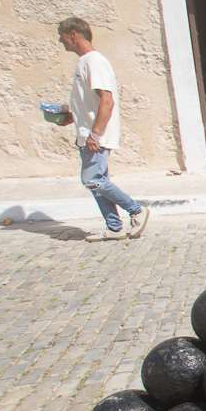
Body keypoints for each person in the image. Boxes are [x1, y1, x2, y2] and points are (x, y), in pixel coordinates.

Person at [55, 17, 149, 243]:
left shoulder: (93, 61)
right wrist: (72, 116)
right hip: (87, 134)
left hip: (95, 136)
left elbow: (107, 100)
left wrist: (95, 133)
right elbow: (92, 102)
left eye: (62, 36)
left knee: (93, 179)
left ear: (74, 34)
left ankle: (136, 210)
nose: (60, 41)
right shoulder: (85, 62)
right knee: (97, 182)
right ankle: (114, 227)